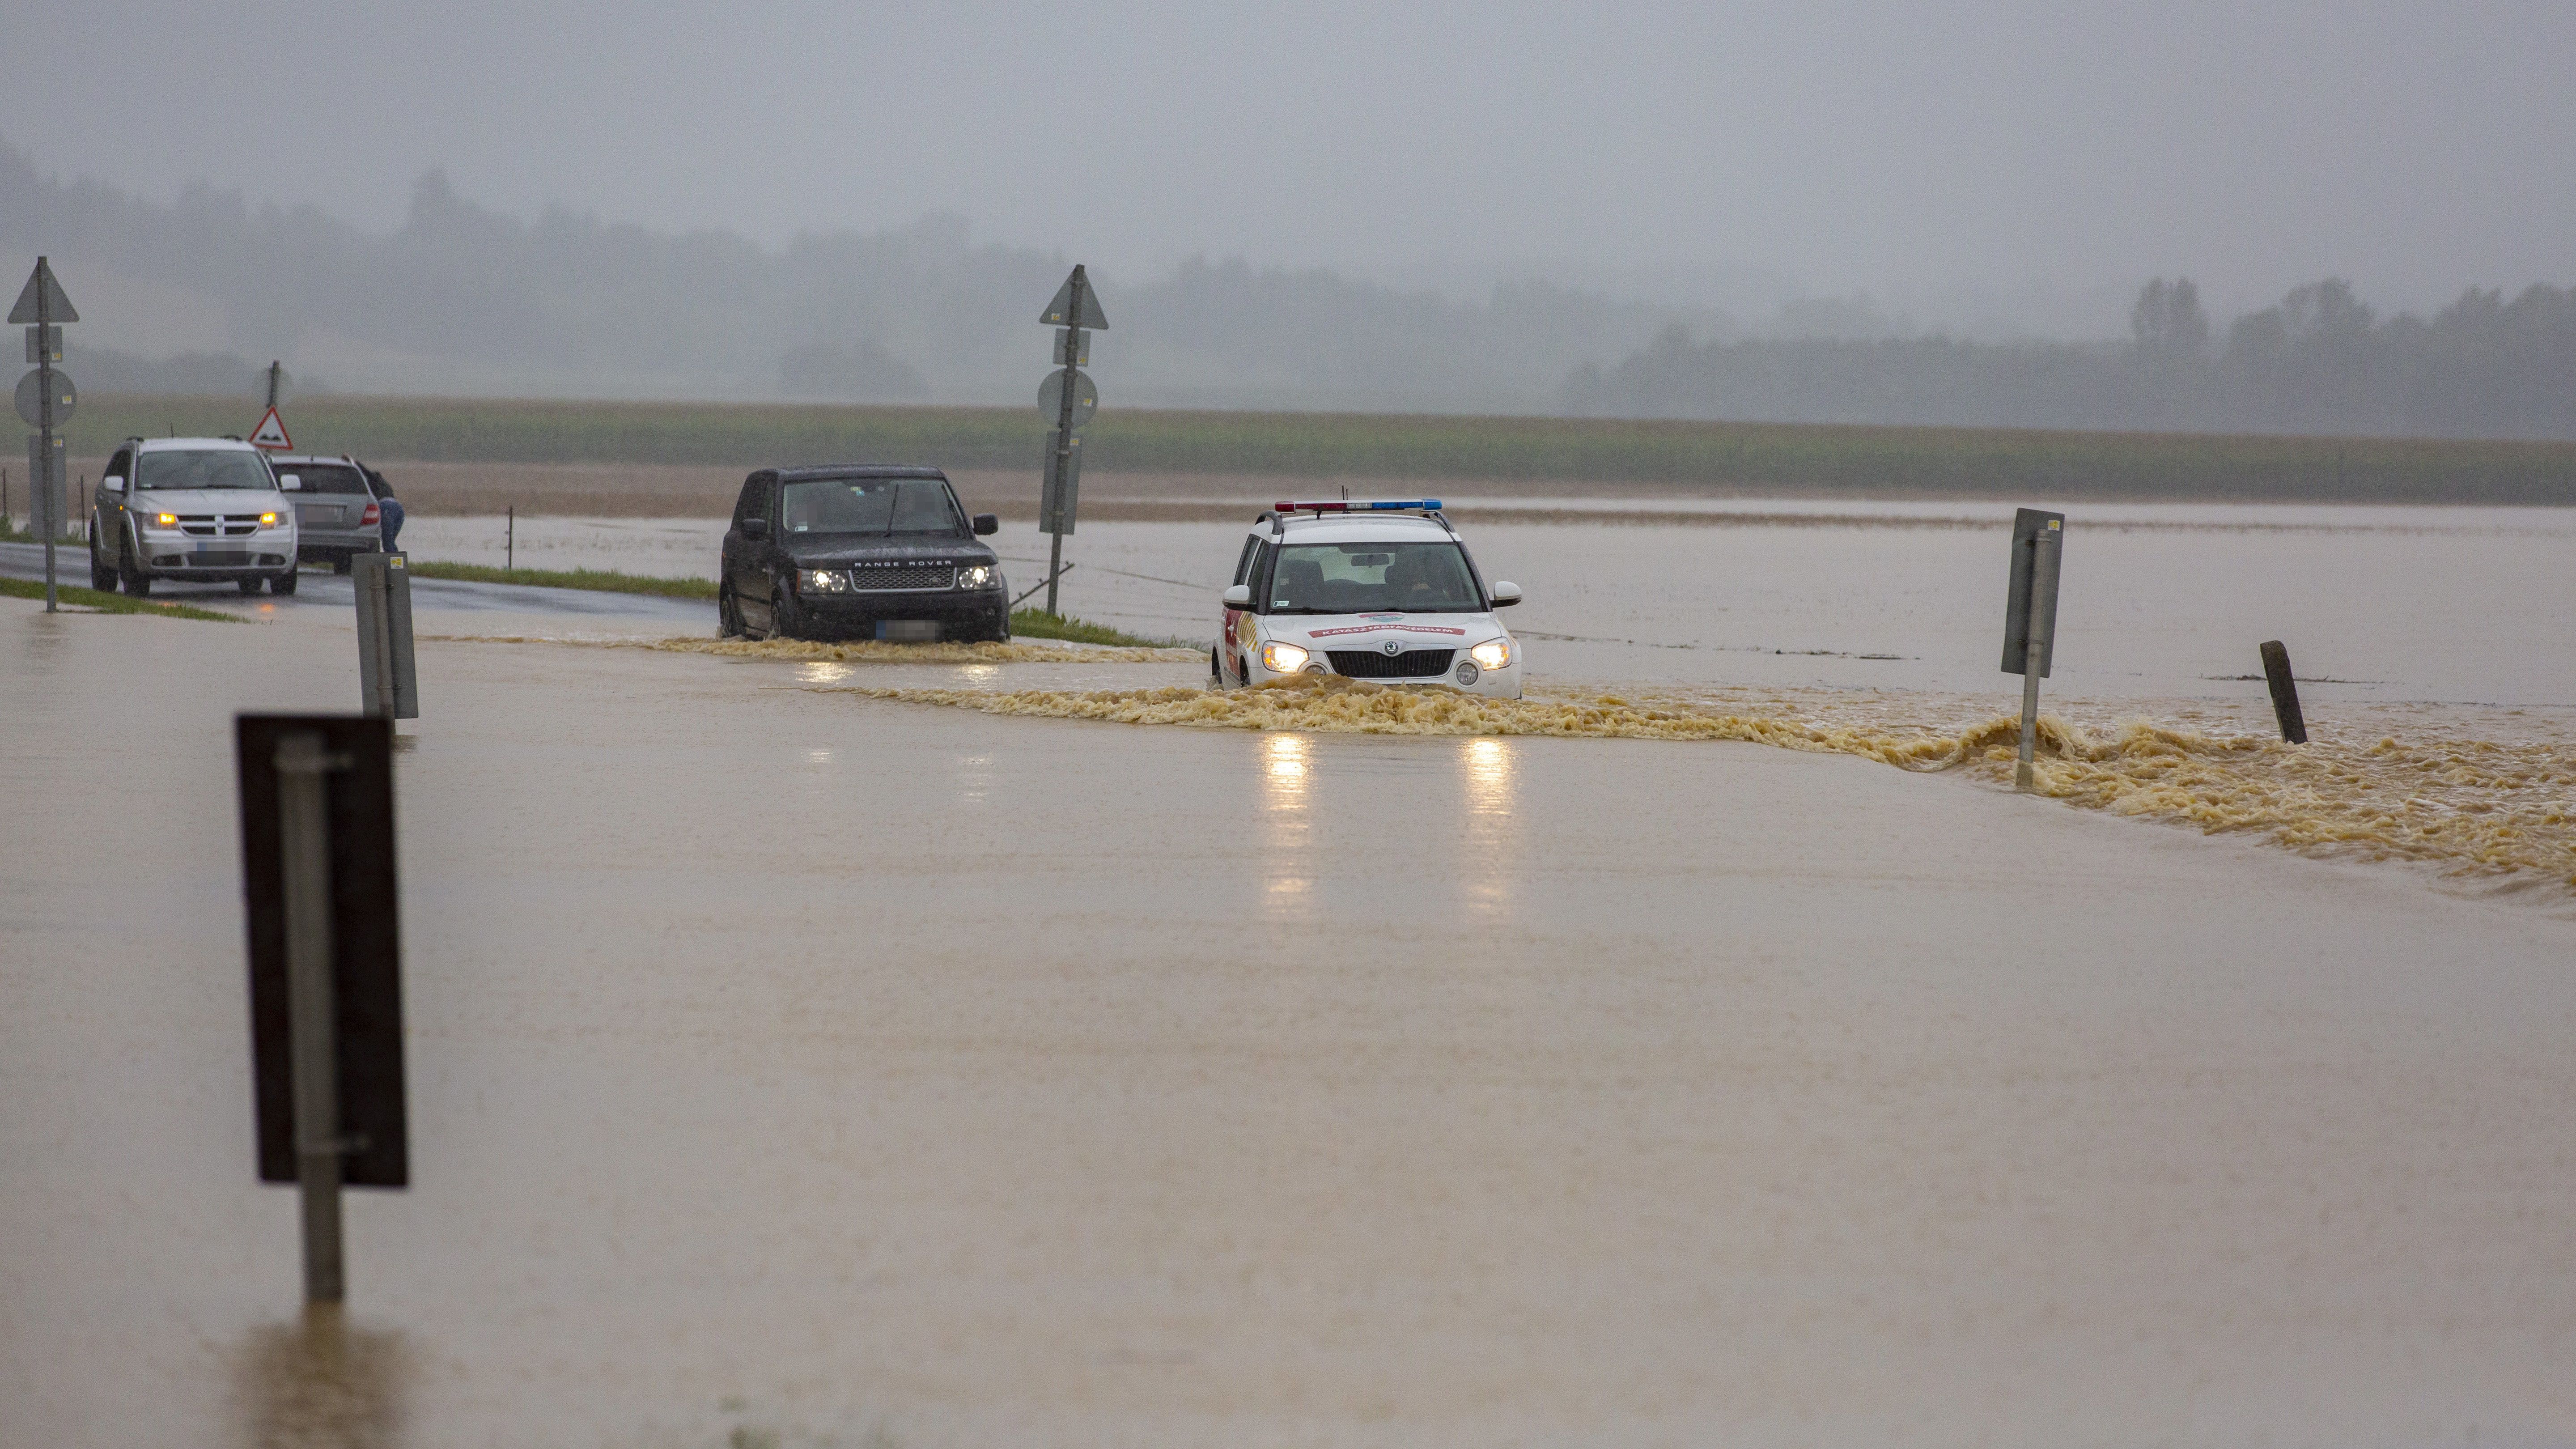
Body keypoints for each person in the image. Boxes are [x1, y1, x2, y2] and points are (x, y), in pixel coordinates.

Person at [364, 465, 405, 553]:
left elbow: (368, 473)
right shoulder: (386, 485)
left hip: (386, 508)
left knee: (387, 543)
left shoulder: (374, 482)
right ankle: (397, 564)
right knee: (390, 542)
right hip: (399, 509)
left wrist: (355, 463)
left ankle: (393, 564)